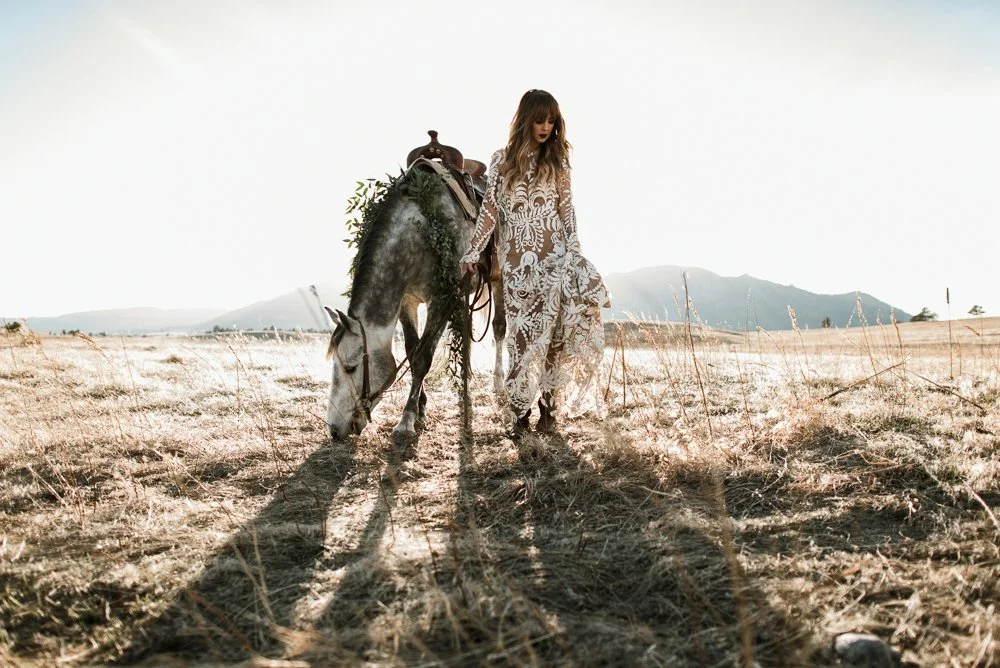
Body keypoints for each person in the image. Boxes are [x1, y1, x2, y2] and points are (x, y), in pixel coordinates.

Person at [461, 89, 610, 437]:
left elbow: (566, 210)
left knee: (554, 338)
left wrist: (574, 251)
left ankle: (548, 410)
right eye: (540, 120)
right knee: (522, 339)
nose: (545, 127)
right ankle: (519, 414)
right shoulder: (501, 160)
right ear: (526, 119)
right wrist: (472, 252)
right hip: (517, 265)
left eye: (551, 121)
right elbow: (490, 211)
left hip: (555, 258)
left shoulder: (558, 161)